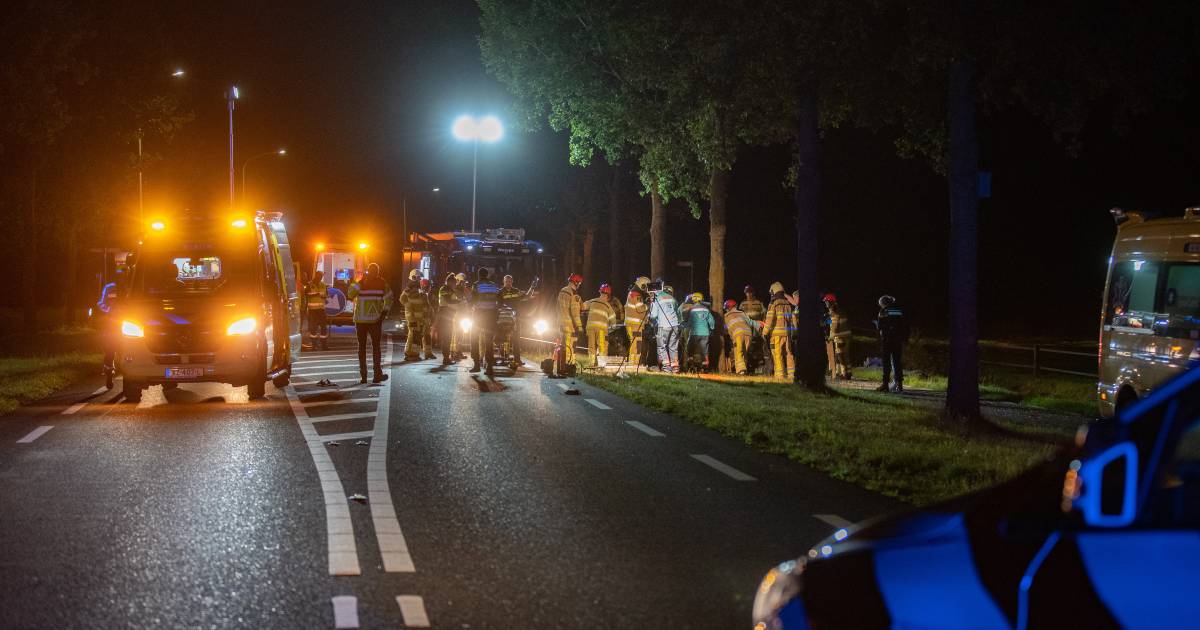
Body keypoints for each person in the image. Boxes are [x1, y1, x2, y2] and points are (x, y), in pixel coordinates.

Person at [347, 263, 393, 383]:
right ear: (378, 272)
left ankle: (363, 377)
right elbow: (389, 298)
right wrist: (384, 313)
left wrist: (356, 282)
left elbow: (350, 294)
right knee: (376, 348)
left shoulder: (361, 282)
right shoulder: (382, 283)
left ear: (367, 271)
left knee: (361, 348)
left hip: (360, 320)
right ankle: (377, 375)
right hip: (375, 320)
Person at [469, 268, 501, 375]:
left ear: (479, 275)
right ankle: (489, 367)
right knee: (489, 342)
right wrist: (495, 309)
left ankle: (476, 365)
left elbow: (472, 300)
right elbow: (501, 299)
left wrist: (470, 307)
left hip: (479, 316)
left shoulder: (476, 285)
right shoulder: (494, 286)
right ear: (487, 275)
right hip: (491, 317)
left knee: (474, 339)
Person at [875, 295, 909, 392]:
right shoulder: (899, 311)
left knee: (886, 363)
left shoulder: (883, 311)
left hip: (887, 340)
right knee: (897, 362)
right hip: (898, 340)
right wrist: (904, 338)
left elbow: (880, 326)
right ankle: (899, 385)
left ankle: (885, 384)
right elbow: (905, 325)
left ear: (883, 303)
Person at [762, 281, 795, 380]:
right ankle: (792, 375)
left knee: (777, 354)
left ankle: (780, 376)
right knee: (789, 354)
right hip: (787, 335)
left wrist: (764, 332)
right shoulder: (788, 304)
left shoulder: (773, 303)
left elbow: (769, 319)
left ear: (774, 292)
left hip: (776, 335)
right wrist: (794, 332)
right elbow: (792, 319)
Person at [499, 274, 533, 365]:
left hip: (515, 318)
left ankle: (517, 359)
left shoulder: (516, 291)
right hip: (503, 318)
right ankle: (503, 357)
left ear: (512, 282)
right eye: (506, 281)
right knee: (502, 338)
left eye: (509, 281)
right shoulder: (500, 292)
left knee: (516, 339)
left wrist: (532, 287)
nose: (508, 283)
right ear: (503, 282)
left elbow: (527, 296)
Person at [648, 284, 681, 373]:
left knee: (662, 347)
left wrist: (649, 312)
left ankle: (666, 368)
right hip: (675, 326)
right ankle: (675, 368)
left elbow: (653, 316)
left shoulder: (657, 299)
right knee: (673, 347)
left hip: (663, 325)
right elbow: (677, 312)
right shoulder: (673, 298)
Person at [399, 270, 432, 360]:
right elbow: (402, 299)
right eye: (418, 278)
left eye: (419, 278)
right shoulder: (409, 289)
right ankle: (411, 354)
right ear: (413, 277)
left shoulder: (419, 290)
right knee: (414, 335)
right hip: (413, 317)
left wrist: (427, 315)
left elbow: (424, 303)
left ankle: (412, 354)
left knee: (415, 335)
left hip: (419, 318)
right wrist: (409, 307)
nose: (419, 280)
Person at [556, 273, 585, 367]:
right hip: (569, 325)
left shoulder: (562, 291)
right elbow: (575, 312)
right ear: (576, 282)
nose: (579, 285)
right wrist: (579, 326)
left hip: (560, 323)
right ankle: (568, 365)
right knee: (571, 345)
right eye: (579, 283)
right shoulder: (574, 295)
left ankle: (560, 364)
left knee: (562, 345)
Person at [584, 284, 616, 365]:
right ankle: (601, 365)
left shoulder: (592, 301)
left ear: (600, 292)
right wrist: (611, 329)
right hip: (602, 330)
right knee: (602, 347)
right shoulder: (608, 306)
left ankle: (591, 365)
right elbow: (613, 321)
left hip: (590, 328)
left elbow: (582, 306)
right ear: (608, 295)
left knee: (591, 347)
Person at [684, 292, 715, 372]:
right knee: (705, 351)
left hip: (694, 333)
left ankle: (691, 364)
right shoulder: (706, 309)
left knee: (690, 348)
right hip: (705, 333)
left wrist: (685, 326)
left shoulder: (691, 309)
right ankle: (705, 367)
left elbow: (689, 322)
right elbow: (712, 321)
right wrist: (711, 328)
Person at [824, 293, 852, 380]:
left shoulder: (835, 312)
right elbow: (829, 325)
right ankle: (844, 373)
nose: (825, 304)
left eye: (826, 302)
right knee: (841, 355)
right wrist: (826, 319)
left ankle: (845, 374)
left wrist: (831, 336)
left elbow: (834, 326)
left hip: (841, 336)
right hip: (841, 336)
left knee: (841, 355)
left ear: (831, 302)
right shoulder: (833, 311)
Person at [723, 299, 754, 375]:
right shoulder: (742, 313)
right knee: (744, 352)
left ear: (728, 308)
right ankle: (745, 369)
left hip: (738, 335)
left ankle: (741, 371)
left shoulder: (726, 316)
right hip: (748, 334)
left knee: (738, 353)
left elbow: (725, 329)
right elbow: (750, 322)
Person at [436, 273, 462, 365]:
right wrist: (459, 301)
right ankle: (446, 358)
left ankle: (447, 357)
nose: (455, 284)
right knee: (446, 337)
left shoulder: (450, 290)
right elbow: (448, 301)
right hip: (445, 316)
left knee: (448, 337)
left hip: (449, 316)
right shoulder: (444, 289)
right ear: (450, 282)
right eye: (454, 282)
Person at [624, 284, 649, 367]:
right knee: (638, 344)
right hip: (636, 325)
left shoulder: (631, 294)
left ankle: (632, 362)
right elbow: (640, 308)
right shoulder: (637, 296)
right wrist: (647, 305)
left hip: (630, 324)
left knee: (633, 343)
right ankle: (635, 363)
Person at [304, 270, 330, 351]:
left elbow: (326, 295)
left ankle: (324, 346)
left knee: (323, 327)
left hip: (321, 310)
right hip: (312, 310)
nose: (320, 278)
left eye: (321, 276)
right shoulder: (309, 284)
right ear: (316, 276)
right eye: (319, 276)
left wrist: (324, 296)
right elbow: (306, 294)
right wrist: (317, 294)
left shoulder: (323, 285)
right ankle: (314, 346)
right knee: (313, 328)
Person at [419, 278, 437, 359]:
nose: (430, 288)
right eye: (429, 286)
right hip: (420, 319)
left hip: (427, 319)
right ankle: (413, 353)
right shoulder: (420, 295)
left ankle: (428, 353)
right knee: (417, 336)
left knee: (427, 336)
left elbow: (432, 307)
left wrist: (432, 318)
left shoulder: (430, 295)